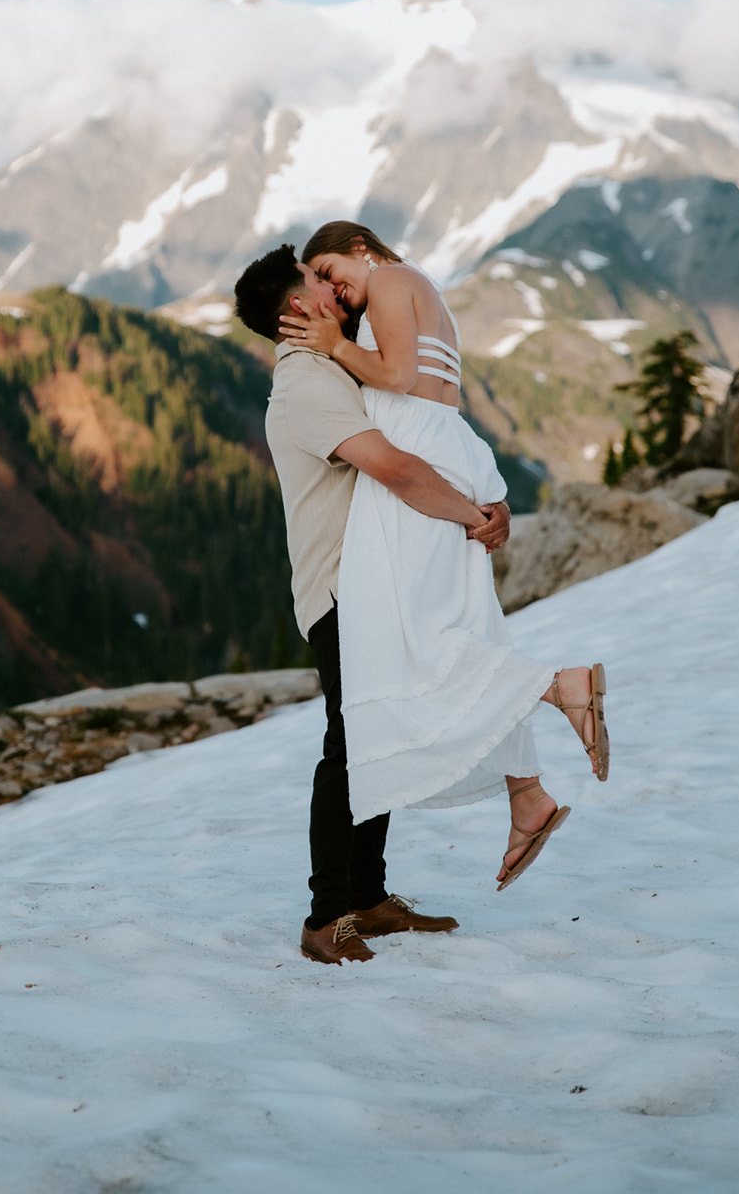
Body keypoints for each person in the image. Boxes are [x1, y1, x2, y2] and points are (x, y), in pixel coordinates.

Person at [278, 222, 608, 889]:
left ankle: (561, 687)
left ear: (363, 249)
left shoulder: (395, 279)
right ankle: (527, 796)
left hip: (414, 466)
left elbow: (397, 377)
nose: (333, 285)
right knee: (465, 627)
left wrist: (335, 343)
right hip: (445, 454)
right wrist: (480, 490)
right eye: (317, 276)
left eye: (332, 268)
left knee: (419, 636)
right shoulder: (415, 293)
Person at [235, 244, 511, 964]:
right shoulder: (305, 383)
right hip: (338, 590)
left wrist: (488, 500)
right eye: (315, 281)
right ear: (298, 307)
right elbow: (389, 466)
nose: (332, 289)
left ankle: (367, 897)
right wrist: (469, 515)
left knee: (374, 733)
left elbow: (420, 424)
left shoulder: (333, 363)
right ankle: (326, 918)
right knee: (348, 746)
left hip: (373, 583)